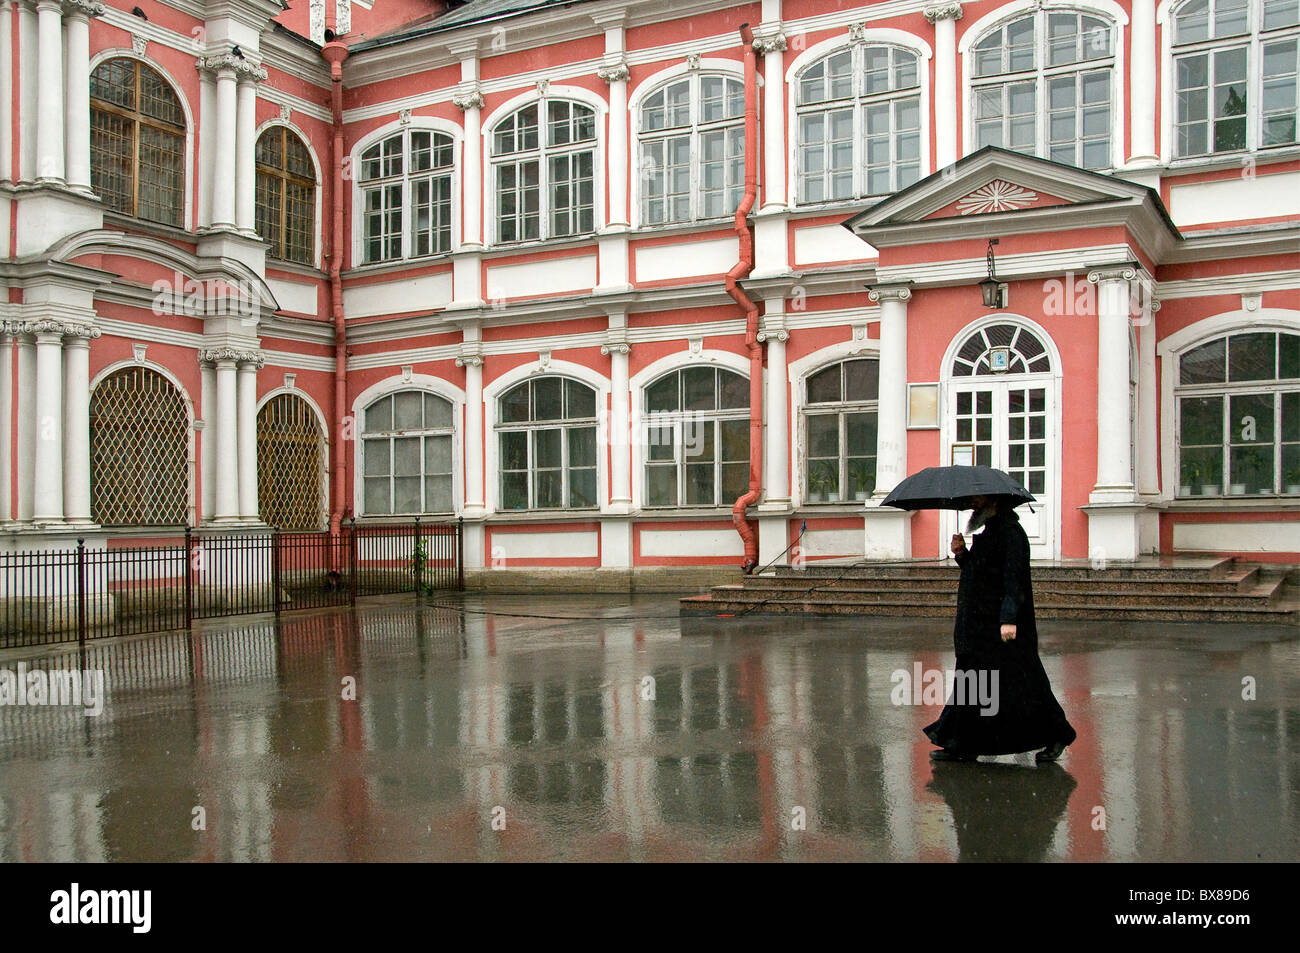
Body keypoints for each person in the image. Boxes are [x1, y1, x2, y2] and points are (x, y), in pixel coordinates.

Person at [924, 493, 1077, 763]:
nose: (973, 503)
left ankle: (1057, 734)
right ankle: (963, 744)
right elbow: (980, 574)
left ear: (995, 502)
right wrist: (962, 554)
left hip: (1001, 628)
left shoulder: (1011, 534)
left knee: (1025, 683)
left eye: (978, 499)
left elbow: (1013, 579)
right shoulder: (991, 533)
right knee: (973, 682)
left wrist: (1008, 619)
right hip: (979, 628)